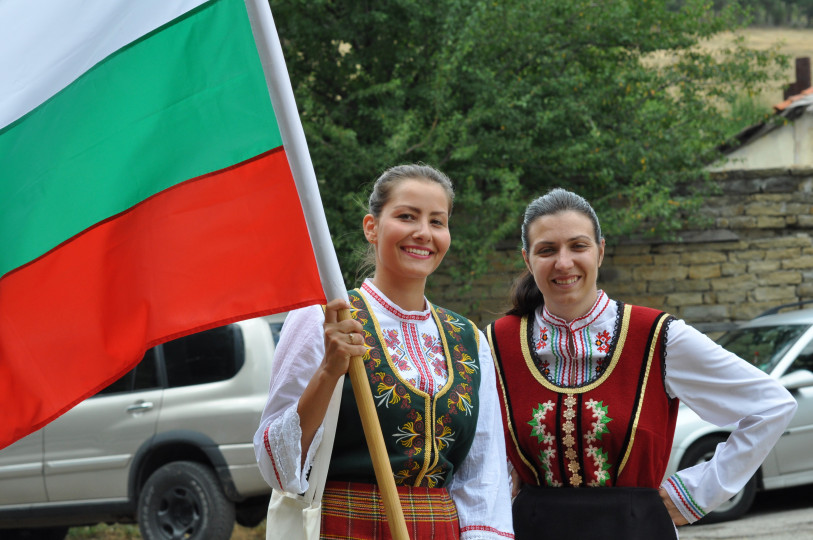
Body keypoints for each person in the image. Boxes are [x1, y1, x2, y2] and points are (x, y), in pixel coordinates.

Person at [486, 188, 797, 540]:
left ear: (600, 251)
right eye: (547, 250)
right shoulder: (497, 343)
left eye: (578, 246)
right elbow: (480, 444)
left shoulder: (658, 337)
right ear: (527, 260)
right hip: (533, 529)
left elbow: (772, 406)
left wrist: (696, 493)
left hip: (636, 530)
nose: (563, 262)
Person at [254, 164, 514, 539]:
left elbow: (483, 478)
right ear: (371, 227)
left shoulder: (469, 340)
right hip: (345, 528)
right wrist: (329, 371)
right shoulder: (323, 320)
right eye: (407, 216)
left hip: (440, 530)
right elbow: (276, 468)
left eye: (437, 221)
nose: (423, 233)